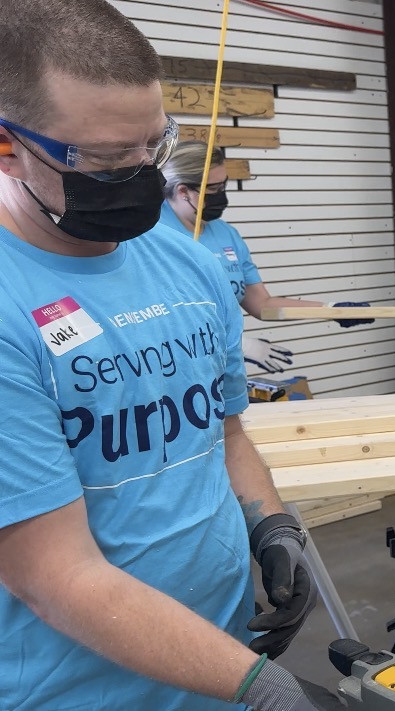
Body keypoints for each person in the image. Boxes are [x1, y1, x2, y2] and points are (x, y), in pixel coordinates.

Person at [0, 2, 334, 709]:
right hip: (78, 693)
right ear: (7, 146)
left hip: (213, 667)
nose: (141, 174)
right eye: (104, 158)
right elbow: (54, 571)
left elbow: (226, 433)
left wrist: (269, 522)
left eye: (151, 145)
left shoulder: (188, 265)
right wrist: (260, 682)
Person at [159, 140, 374, 373]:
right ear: (183, 191)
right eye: (214, 189)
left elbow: (262, 304)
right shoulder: (152, 237)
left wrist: (330, 310)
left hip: (220, 373)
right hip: (173, 371)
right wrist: (238, 346)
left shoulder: (226, 235)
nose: (222, 195)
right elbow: (158, 318)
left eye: (224, 185)